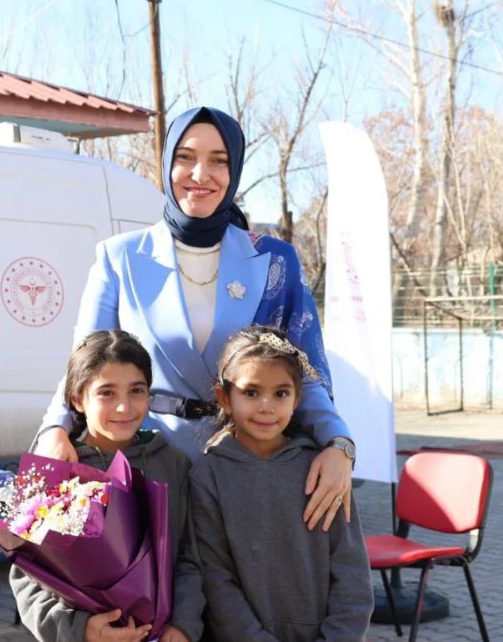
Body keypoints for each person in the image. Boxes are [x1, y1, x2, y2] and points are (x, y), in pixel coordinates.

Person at [34, 105, 357, 531]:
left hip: (245, 465)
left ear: (235, 169)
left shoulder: (274, 261)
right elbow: (85, 367)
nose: (200, 174)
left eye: (218, 160)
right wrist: (54, 429)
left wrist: (339, 444)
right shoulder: (120, 258)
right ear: (167, 162)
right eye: (185, 157)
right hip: (146, 467)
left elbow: (307, 371)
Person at [11, 330, 204, 642]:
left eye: (136, 391)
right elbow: (27, 578)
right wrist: (79, 630)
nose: (123, 407)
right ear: (77, 399)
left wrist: (183, 626)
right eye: (106, 393)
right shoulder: (57, 467)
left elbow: (189, 557)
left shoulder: (173, 463)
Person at [190, 327, 373, 641]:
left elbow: (351, 570)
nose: (266, 406)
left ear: (297, 399)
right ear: (225, 397)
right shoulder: (208, 475)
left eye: (280, 393)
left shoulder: (323, 470)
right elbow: (216, 578)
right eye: (251, 392)